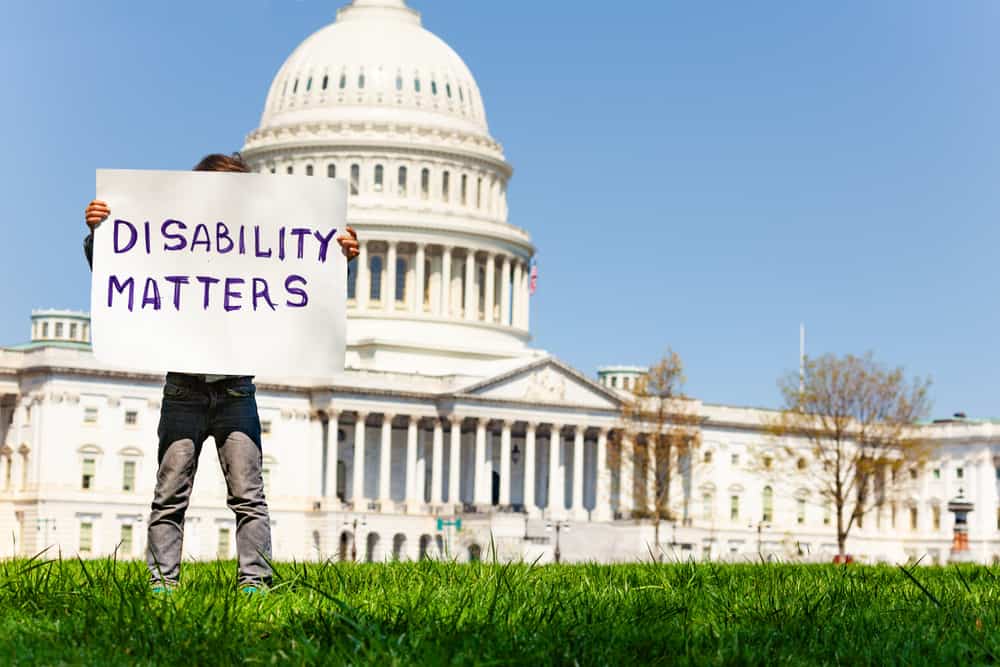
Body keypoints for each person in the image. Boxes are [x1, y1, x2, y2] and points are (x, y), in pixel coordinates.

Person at [83, 153, 360, 591]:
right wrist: (100, 236)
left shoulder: (259, 242)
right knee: (169, 494)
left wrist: (338, 258)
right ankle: (162, 582)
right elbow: (127, 269)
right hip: (184, 391)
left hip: (235, 392)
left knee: (249, 496)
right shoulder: (176, 239)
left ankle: (254, 580)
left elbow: (303, 284)